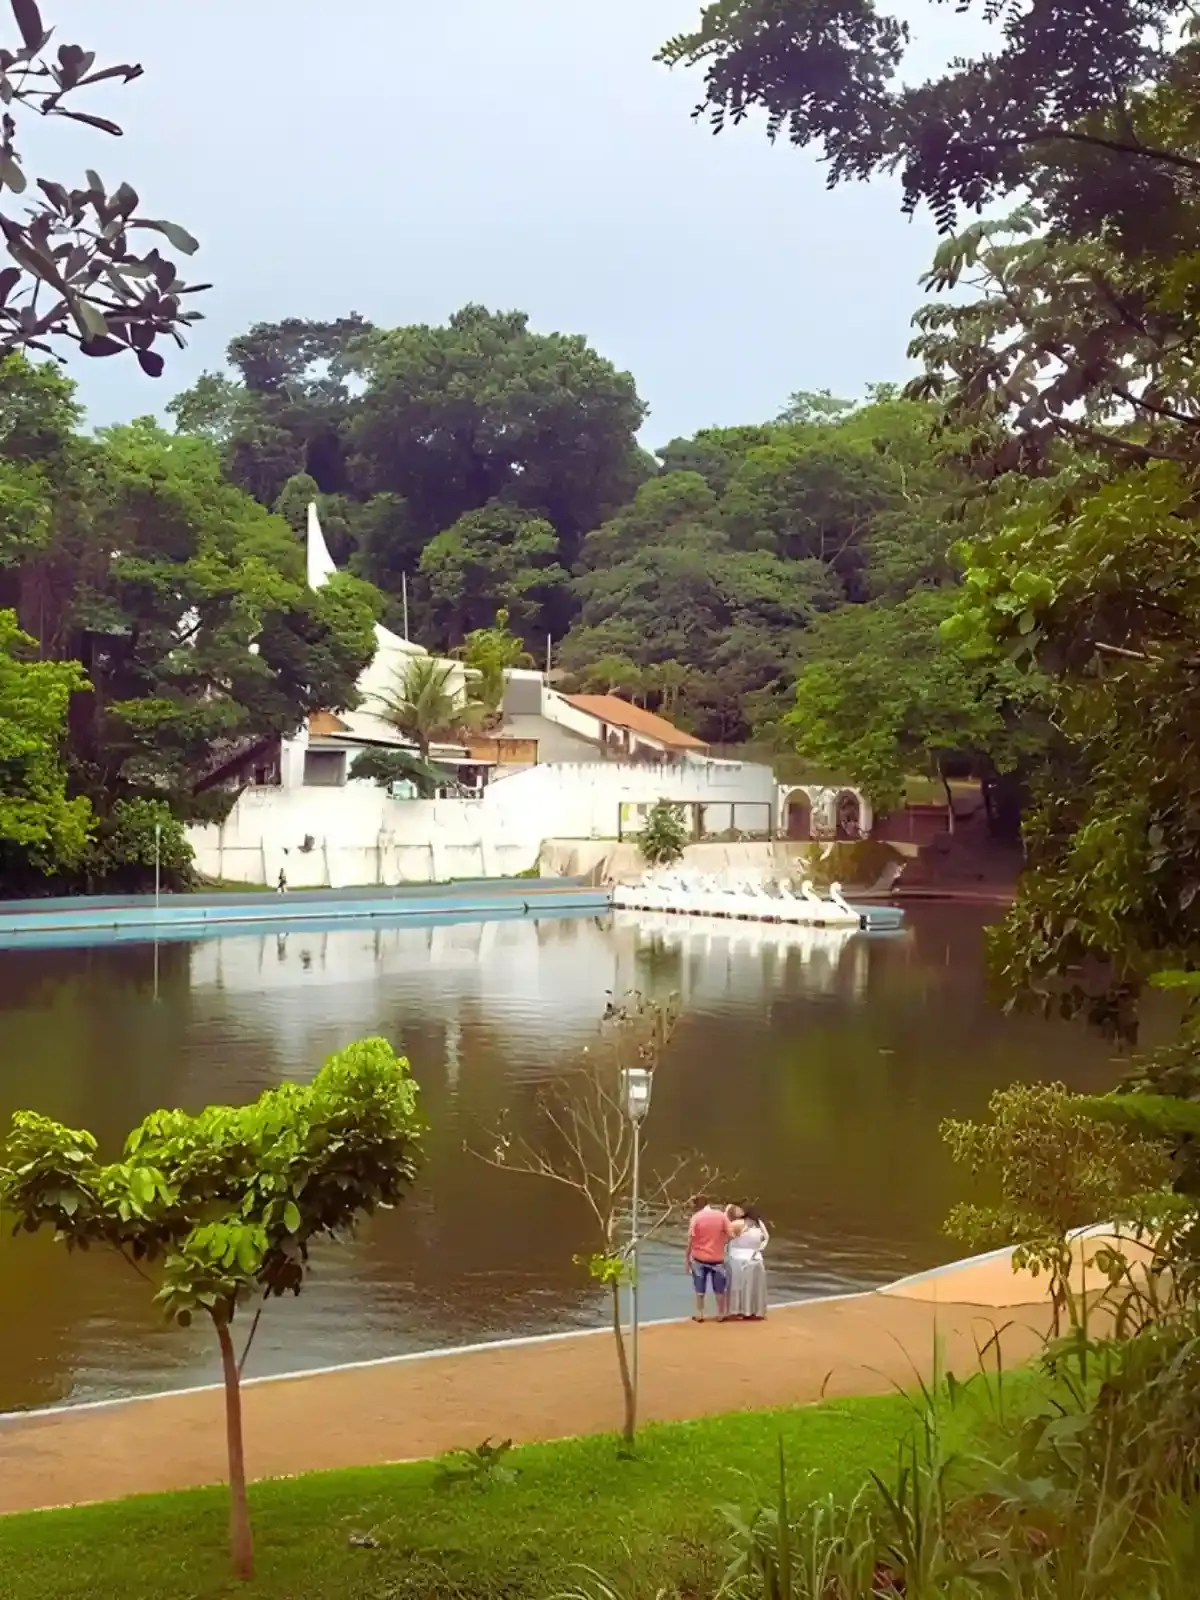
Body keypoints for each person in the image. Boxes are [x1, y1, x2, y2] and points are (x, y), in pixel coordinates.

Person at [686, 1195, 732, 1322]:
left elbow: (690, 1240)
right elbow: (731, 1234)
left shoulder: (696, 1218)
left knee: (699, 1288)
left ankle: (700, 1314)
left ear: (696, 1206)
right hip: (717, 1258)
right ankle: (720, 1314)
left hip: (699, 1257)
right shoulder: (721, 1216)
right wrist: (722, 1241)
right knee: (719, 1289)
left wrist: (686, 1259)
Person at [726, 1204, 770, 1321]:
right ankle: (754, 1310)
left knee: (739, 1286)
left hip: (738, 1258)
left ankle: (737, 1310)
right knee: (754, 1287)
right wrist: (759, 1249)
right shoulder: (759, 1225)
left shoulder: (738, 1224)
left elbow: (725, 1234)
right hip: (756, 1258)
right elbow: (766, 1238)